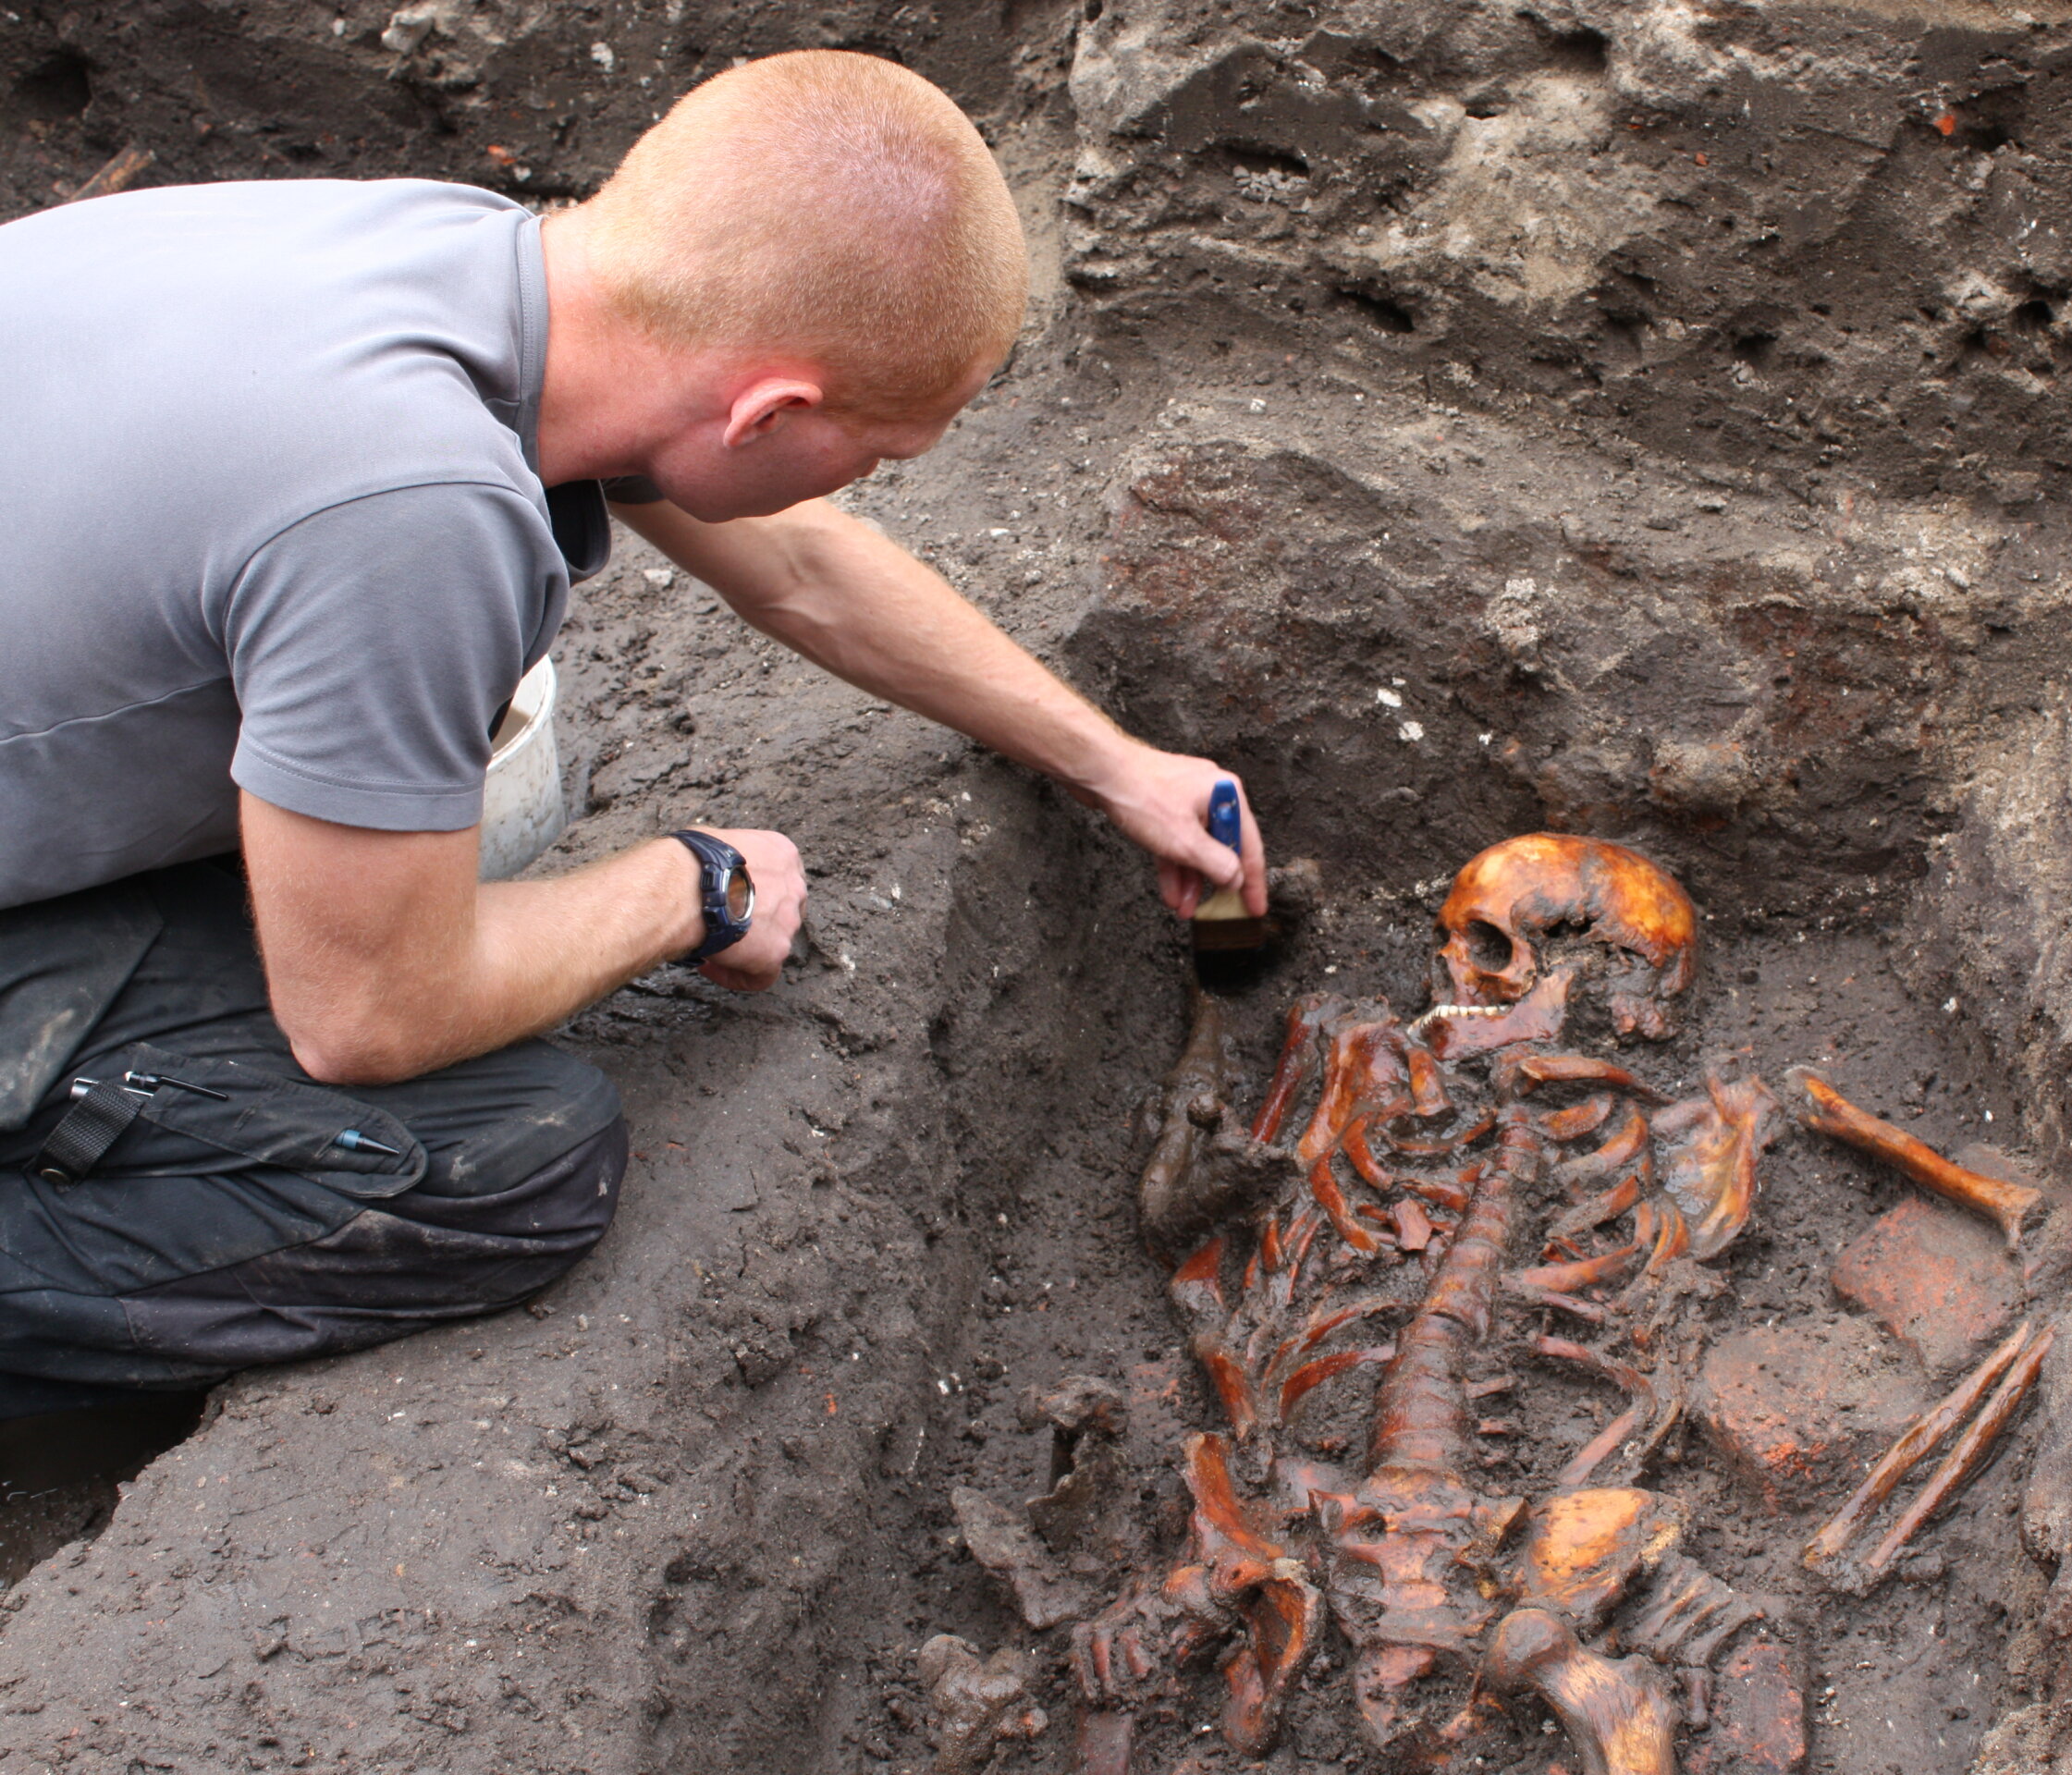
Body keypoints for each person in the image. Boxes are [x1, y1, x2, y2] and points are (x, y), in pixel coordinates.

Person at [0, 50, 1265, 1419]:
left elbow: (801, 568)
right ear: (769, 412)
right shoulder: (413, 508)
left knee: (389, 842)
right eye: (881, 454)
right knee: (510, 1163)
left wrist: (1114, 763)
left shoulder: (480, 271)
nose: (873, 482)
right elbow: (367, 1016)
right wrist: (690, 888)